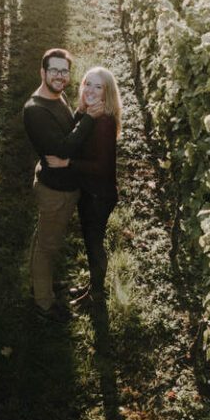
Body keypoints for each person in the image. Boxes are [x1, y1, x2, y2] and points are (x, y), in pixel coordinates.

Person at [23, 48, 102, 322]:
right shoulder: (35, 110)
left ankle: (40, 284)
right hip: (56, 190)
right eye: (54, 70)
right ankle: (43, 304)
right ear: (42, 72)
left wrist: (80, 113)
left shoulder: (57, 96)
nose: (60, 76)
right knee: (47, 246)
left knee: (44, 238)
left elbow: (67, 131)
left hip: (61, 184)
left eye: (64, 71)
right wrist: (90, 118)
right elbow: (64, 147)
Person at [46, 66, 121, 307]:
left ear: (106, 93)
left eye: (98, 87)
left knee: (94, 243)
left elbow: (103, 167)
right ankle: (93, 286)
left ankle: (96, 294)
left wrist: (68, 163)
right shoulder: (91, 113)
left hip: (99, 195)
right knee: (91, 241)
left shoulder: (104, 123)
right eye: (87, 83)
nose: (90, 89)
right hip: (90, 192)